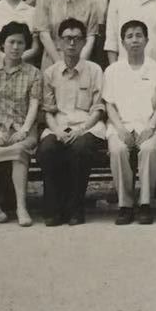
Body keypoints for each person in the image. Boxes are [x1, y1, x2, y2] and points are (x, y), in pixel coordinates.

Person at [36, 17, 107, 226]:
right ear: (59, 42)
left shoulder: (94, 70)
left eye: (77, 38)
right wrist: (57, 130)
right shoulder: (50, 73)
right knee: (47, 149)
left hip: (88, 126)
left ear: (84, 42)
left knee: (80, 148)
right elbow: (48, 110)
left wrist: (82, 129)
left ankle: (75, 208)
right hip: (58, 126)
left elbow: (98, 108)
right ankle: (53, 208)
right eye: (67, 38)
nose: (72, 43)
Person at [0, 22, 42, 227]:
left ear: (26, 46)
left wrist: (24, 130)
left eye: (20, 43)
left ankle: (21, 206)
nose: (15, 47)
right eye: (11, 42)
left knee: (18, 151)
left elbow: (34, 105)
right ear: (1, 44)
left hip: (23, 127)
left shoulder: (33, 73)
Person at [103, 19, 156, 225]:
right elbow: (109, 104)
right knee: (118, 150)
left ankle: (145, 203)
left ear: (147, 40)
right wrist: (120, 129)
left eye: (139, 35)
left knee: (149, 149)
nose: (135, 40)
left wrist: (150, 127)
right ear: (122, 43)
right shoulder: (113, 70)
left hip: (150, 124)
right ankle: (125, 205)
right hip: (120, 125)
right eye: (129, 37)